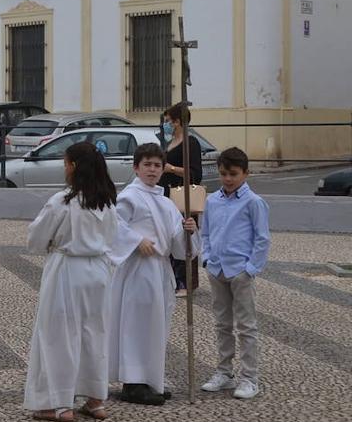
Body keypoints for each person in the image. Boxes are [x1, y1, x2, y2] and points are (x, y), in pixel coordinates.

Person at [23, 141, 118, 422]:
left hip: (67, 269)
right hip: (98, 271)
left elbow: (36, 240)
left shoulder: (63, 202)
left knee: (59, 335)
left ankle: (59, 403)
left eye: (66, 163)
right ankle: (95, 398)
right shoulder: (107, 202)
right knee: (94, 333)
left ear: (74, 167)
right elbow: (112, 239)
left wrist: (54, 242)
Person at [108, 143, 198, 406]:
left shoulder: (166, 201)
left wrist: (188, 230)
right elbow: (113, 225)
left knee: (156, 325)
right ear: (136, 167)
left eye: (157, 165)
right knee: (136, 325)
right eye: (147, 164)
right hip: (138, 269)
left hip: (159, 269)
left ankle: (150, 378)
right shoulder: (130, 197)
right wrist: (135, 240)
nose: (152, 170)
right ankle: (132, 382)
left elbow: (178, 244)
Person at [199, 147, 270, 401]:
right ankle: (224, 372)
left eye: (233, 174)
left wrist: (249, 269)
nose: (228, 178)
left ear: (245, 173)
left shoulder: (254, 202)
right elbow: (205, 232)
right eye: (223, 173)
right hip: (217, 269)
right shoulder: (212, 200)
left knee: (247, 326)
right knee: (222, 324)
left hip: (240, 271)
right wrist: (206, 258)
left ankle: (250, 377)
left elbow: (262, 239)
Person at [158, 102, 203, 297]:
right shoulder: (169, 143)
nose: (166, 124)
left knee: (184, 236)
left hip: (182, 197)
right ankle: (173, 280)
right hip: (167, 196)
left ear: (177, 122)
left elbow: (195, 174)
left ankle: (186, 283)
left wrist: (171, 169)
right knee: (170, 237)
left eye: (168, 121)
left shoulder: (190, 143)